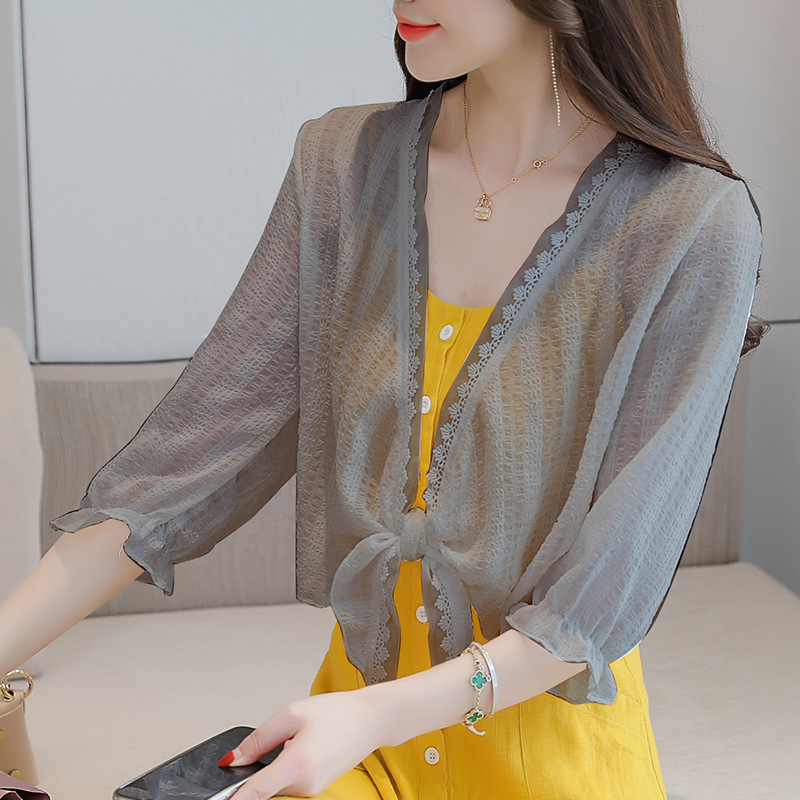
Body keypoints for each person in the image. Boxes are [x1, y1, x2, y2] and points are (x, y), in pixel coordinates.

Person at [0, 1, 768, 798]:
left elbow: (596, 603)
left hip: (538, 765)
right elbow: (171, 484)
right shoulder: (343, 166)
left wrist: (373, 716)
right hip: (356, 757)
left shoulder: (691, 223)